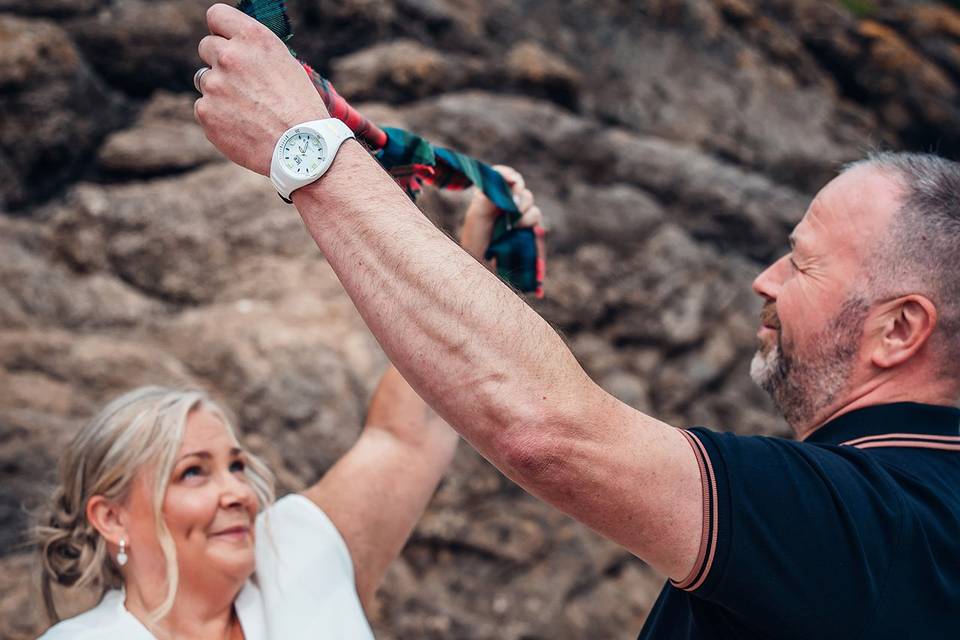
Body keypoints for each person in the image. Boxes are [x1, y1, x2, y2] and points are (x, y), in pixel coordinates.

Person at [192, 5, 960, 638]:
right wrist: (475, 269)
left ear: (899, 330)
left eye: (801, 263)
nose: (766, 280)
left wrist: (304, 141)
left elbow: (548, 429)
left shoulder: (885, 527)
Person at [34, 165, 543, 639]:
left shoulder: (299, 552)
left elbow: (407, 433)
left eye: (236, 465)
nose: (237, 492)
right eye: (193, 472)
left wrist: (472, 256)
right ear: (112, 518)